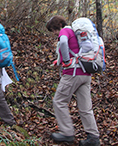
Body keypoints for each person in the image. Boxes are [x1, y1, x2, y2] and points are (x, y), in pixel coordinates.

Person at [46, 16, 100, 146]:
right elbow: (73, 50)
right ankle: (93, 137)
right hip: (85, 73)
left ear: (58, 25)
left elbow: (64, 43)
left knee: (59, 101)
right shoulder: (76, 34)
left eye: (53, 30)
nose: (54, 33)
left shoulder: (65, 30)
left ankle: (67, 133)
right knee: (85, 107)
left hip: (73, 74)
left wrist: (65, 61)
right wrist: (59, 61)